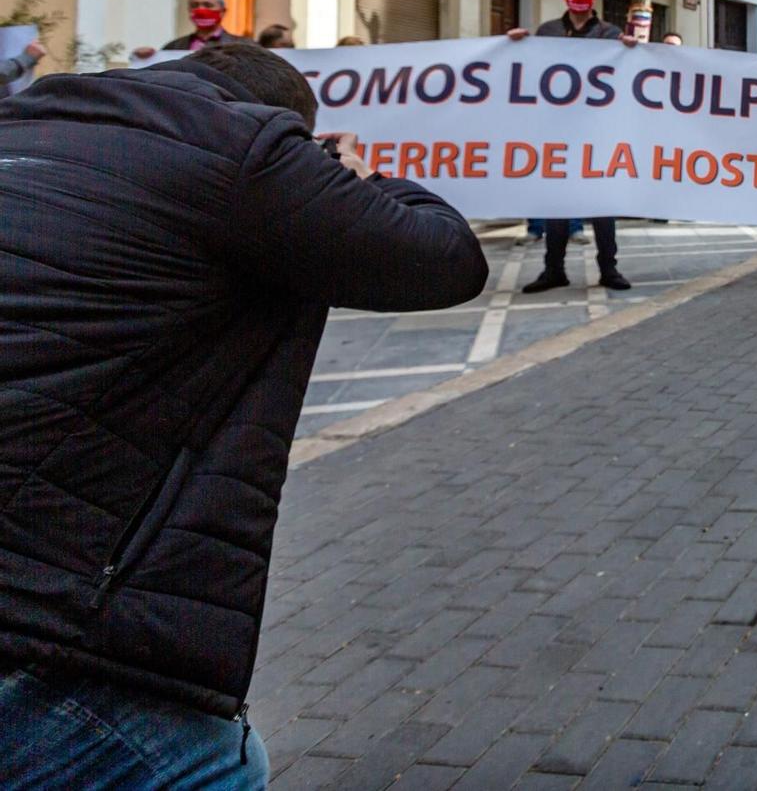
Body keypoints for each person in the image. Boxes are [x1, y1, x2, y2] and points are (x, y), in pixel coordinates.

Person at [0, 42, 488, 788]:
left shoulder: (28, 122)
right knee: (208, 765)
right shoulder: (247, 151)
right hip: (48, 622)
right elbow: (446, 257)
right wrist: (361, 175)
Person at [507, 0, 639, 294]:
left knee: (602, 205)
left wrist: (633, 51)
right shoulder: (548, 31)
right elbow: (532, 70)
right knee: (557, 204)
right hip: (558, 132)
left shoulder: (611, 35)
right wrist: (514, 46)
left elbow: (625, 75)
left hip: (598, 132)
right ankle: (554, 270)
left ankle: (609, 269)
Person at [130, 0, 245, 60]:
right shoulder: (173, 46)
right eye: (194, 5)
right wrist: (146, 58)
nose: (200, 10)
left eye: (208, 5)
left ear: (222, 12)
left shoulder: (243, 45)